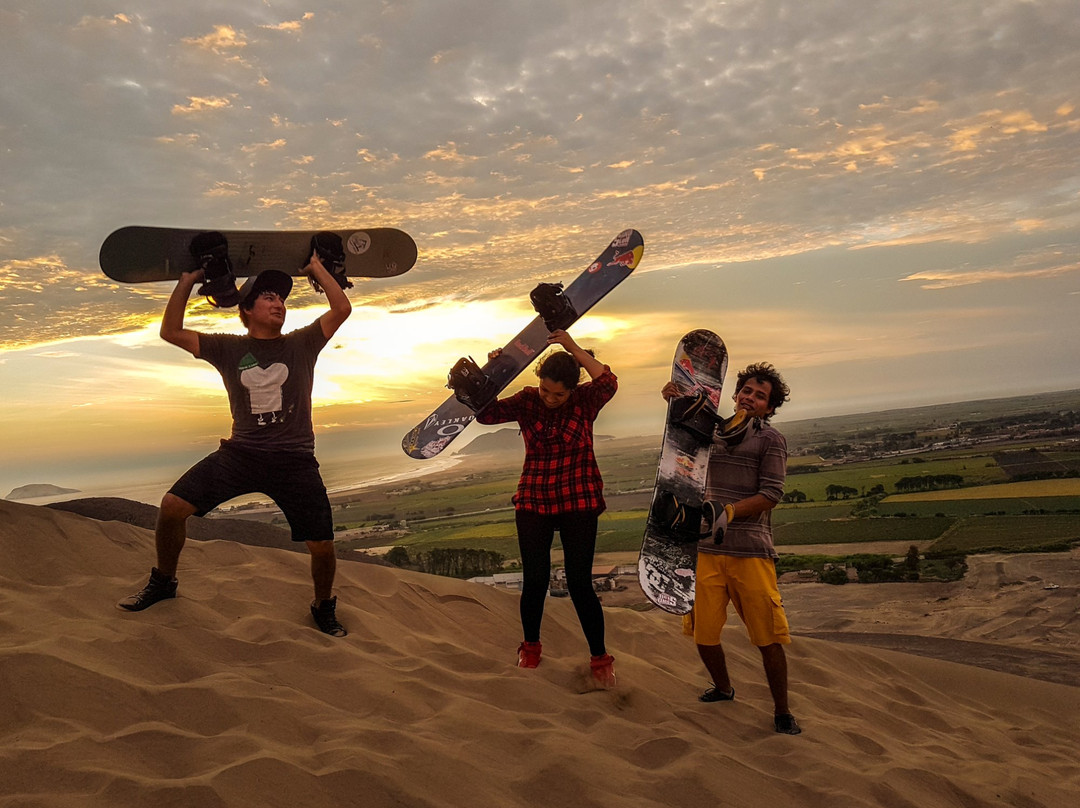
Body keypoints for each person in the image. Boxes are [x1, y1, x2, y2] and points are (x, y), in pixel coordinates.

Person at [117, 249, 353, 638]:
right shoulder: (228, 348)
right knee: (172, 507)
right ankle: (163, 582)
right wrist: (187, 281)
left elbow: (341, 309)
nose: (279, 303)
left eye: (281, 298)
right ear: (246, 308)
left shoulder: (302, 344)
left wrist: (318, 270)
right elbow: (170, 332)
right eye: (268, 297)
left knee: (322, 546)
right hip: (241, 455)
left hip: (294, 460)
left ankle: (323, 606)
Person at [661, 362, 800, 734]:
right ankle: (723, 688)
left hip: (751, 552)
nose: (750, 398)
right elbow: (682, 447)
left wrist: (730, 512)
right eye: (746, 391)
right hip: (705, 549)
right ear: (735, 394)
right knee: (704, 635)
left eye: (760, 396)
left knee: (767, 637)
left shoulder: (771, 440)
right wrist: (674, 402)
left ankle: (782, 711)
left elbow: (772, 493)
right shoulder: (711, 433)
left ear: (769, 408)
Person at [476, 330, 618, 687]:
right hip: (534, 497)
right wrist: (494, 372)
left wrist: (571, 346)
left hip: (579, 497)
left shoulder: (586, 400)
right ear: (537, 382)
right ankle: (531, 649)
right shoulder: (526, 401)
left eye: (559, 393)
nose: (551, 399)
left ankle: (600, 659)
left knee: (579, 583)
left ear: (572, 390)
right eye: (545, 390)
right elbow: (486, 414)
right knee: (535, 580)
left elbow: (608, 380)